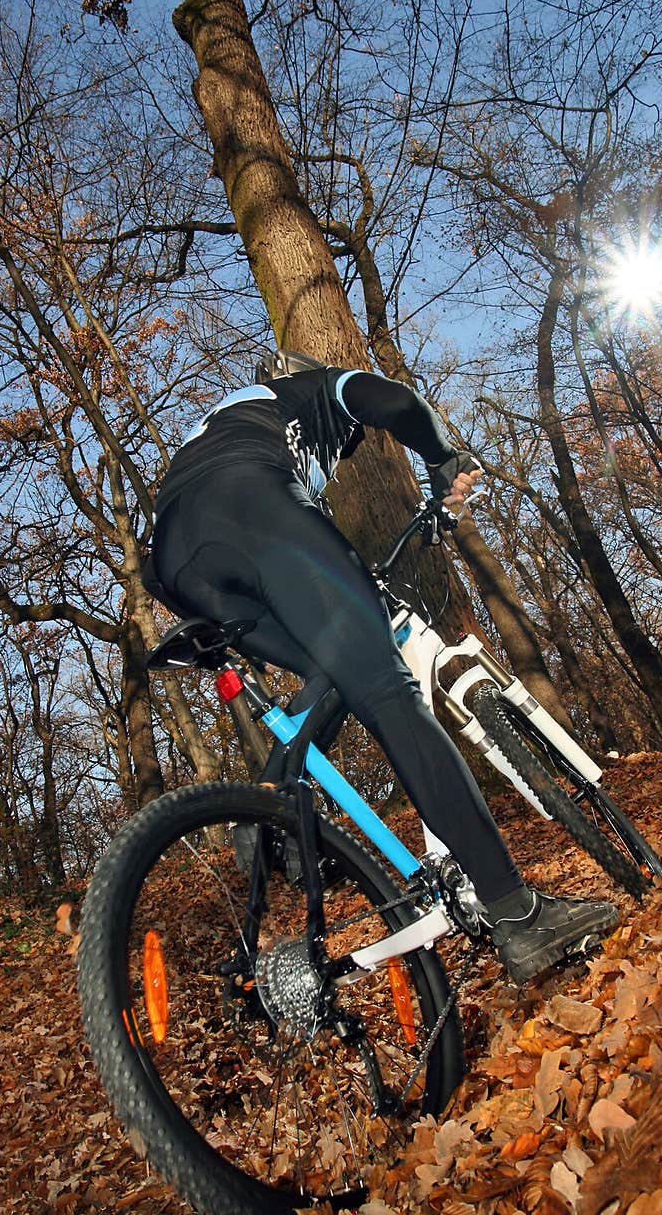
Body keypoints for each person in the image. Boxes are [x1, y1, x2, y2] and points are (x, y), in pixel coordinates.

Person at [145, 349, 618, 985]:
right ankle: (517, 912)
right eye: (351, 440)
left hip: (176, 565)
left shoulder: (229, 419)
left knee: (337, 669)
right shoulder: (310, 390)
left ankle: (263, 813)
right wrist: (443, 457)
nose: (348, 449)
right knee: (389, 690)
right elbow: (394, 402)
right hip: (253, 505)